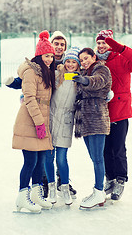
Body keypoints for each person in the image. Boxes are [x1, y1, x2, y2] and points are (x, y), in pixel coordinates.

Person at [5, 31, 77, 198]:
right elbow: (28, 78)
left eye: (62, 44)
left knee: (59, 154)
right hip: (43, 113)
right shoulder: (40, 61)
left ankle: (60, 180)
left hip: (59, 114)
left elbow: (71, 77)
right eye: (56, 44)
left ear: (65, 48)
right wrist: (16, 84)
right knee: (43, 155)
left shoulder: (68, 63)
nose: (58, 47)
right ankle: (43, 184)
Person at [95, 30, 132, 200]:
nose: (102, 46)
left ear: (112, 44)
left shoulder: (122, 59)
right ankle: (109, 178)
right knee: (104, 149)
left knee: (117, 148)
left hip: (119, 112)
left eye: (105, 42)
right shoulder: (95, 61)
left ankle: (120, 179)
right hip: (101, 113)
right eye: (99, 43)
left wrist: (121, 48)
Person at [13, 30, 55, 213]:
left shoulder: (46, 72)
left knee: (41, 160)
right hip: (30, 121)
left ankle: (37, 194)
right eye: (46, 56)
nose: (49, 59)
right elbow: (29, 99)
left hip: (41, 120)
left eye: (51, 56)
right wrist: (39, 123)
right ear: (39, 55)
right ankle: (22, 196)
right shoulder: (31, 72)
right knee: (30, 161)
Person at [73, 48, 112, 209]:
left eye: (86, 58)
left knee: (97, 158)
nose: (84, 62)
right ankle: (98, 191)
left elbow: (99, 81)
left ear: (93, 57)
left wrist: (85, 81)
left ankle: (98, 191)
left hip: (97, 118)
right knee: (94, 158)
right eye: (81, 60)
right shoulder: (84, 71)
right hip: (86, 121)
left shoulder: (101, 68)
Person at [45, 47, 80, 205]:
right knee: (48, 157)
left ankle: (64, 188)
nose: (71, 64)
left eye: (74, 62)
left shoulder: (79, 79)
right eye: (68, 61)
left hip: (66, 121)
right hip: (51, 119)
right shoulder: (56, 74)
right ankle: (51, 187)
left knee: (61, 159)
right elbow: (41, 85)